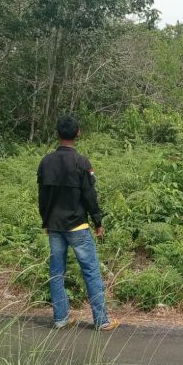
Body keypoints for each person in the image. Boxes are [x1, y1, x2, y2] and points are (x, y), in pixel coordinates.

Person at [38, 116, 118, 331]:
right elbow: (89, 196)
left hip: (54, 226)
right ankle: (102, 320)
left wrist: (45, 220)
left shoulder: (46, 162)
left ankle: (61, 318)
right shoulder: (81, 162)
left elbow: (42, 196)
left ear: (57, 135)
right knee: (91, 271)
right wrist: (98, 221)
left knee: (56, 271)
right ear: (78, 133)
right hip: (78, 226)